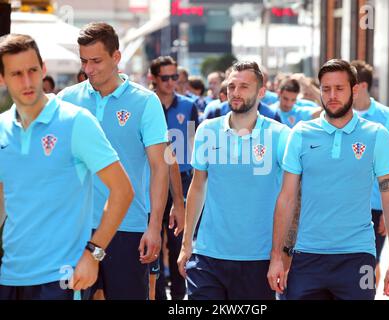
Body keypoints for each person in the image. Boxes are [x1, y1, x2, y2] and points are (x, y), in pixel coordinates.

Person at [0, 34, 134, 300]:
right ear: (2, 78)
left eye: (32, 71)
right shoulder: (1, 128)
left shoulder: (76, 121)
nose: (27, 82)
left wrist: (93, 253)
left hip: (62, 278)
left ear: (43, 69)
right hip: (9, 275)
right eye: (16, 74)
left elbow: (122, 191)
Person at [268, 59, 389, 300]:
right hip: (308, 255)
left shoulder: (376, 135)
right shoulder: (300, 133)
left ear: (355, 90)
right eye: (326, 88)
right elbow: (286, 198)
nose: (332, 95)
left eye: (339, 88)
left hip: (357, 256)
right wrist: (277, 257)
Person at [58, 22, 169, 300]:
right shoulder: (67, 100)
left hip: (128, 228)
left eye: (96, 60)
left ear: (116, 57)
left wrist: (154, 227)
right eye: (84, 61)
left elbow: (159, 168)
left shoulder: (146, 102)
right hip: (76, 228)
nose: (89, 69)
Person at [177, 61, 291, 300]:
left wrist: (281, 254)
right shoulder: (207, 130)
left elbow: (292, 197)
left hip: (258, 259)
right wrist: (187, 244)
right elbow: (197, 187)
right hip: (208, 256)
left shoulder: (280, 135)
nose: (235, 93)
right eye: (231, 86)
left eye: (244, 87)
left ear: (261, 92)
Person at [149, 55, 199, 300]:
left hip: (183, 178)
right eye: (165, 77)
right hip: (152, 180)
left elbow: (194, 143)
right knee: (153, 239)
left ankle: (179, 298)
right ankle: (157, 294)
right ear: (154, 79)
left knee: (178, 242)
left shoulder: (188, 106)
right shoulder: (146, 104)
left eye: (174, 77)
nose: (171, 82)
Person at [351, 60, 389, 287]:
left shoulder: (387, 116)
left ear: (361, 86)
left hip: (375, 203)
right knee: (349, 264)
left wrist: (387, 208)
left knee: (368, 264)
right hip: (346, 204)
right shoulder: (338, 114)